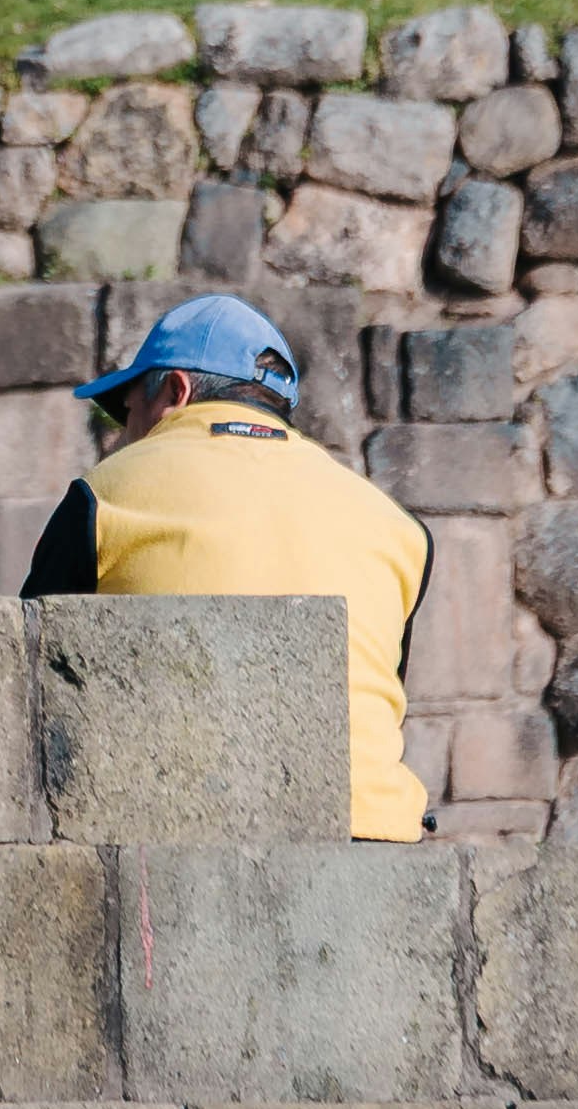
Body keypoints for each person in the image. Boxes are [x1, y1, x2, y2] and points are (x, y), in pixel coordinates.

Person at [22, 286, 429, 845]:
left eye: (129, 411)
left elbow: (27, 691)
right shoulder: (396, 525)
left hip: (180, 835)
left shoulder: (103, 494)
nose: (123, 432)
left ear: (175, 390)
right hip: (371, 832)